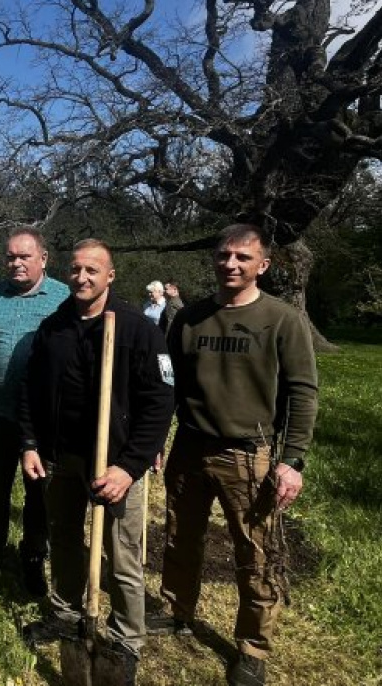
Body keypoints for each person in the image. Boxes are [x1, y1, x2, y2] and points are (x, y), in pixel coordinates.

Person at [157, 224, 318, 686]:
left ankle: (252, 648)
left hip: (249, 454)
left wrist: (292, 460)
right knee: (179, 537)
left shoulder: (282, 319)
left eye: (243, 258)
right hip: (189, 446)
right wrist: (155, 440)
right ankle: (176, 610)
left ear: (262, 266)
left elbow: (303, 392)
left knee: (257, 554)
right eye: (224, 255)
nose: (231, 264)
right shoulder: (189, 320)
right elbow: (168, 384)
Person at [18, 239, 175, 685]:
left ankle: (126, 639)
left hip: (116, 463)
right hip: (61, 457)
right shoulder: (54, 327)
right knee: (64, 537)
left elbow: (161, 402)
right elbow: (30, 390)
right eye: (75, 269)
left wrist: (130, 467)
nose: (82, 278)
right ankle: (68, 615)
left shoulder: (139, 330)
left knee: (122, 553)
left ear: (110, 276)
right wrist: (30, 443)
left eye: (92, 270)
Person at [0, 225, 70, 594]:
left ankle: (34, 557)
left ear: (43, 259)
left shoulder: (64, 299)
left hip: (43, 419)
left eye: (24, 256)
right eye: (11, 257)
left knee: (39, 492)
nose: (16, 263)